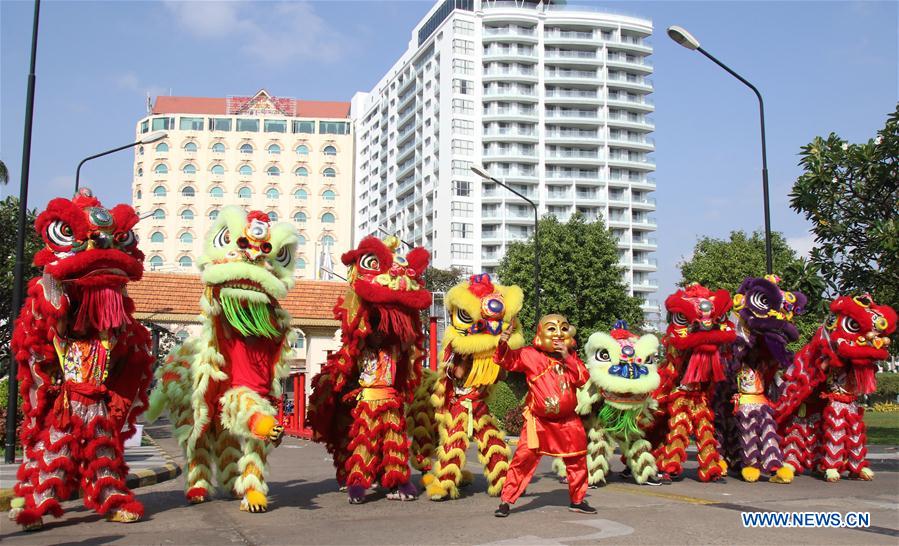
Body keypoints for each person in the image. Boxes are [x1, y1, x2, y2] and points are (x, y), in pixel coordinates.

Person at [492, 314, 596, 517]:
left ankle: (578, 500)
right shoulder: (530, 354)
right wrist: (503, 342)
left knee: (577, 461)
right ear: (540, 333)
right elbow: (507, 360)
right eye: (552, 329)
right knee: (522, 460)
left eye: (563, 328)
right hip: (538, 422)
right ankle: (506, 501)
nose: (558, 334)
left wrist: (567, 357)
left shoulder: (571, 357)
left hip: (568, 422)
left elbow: (583, 379)